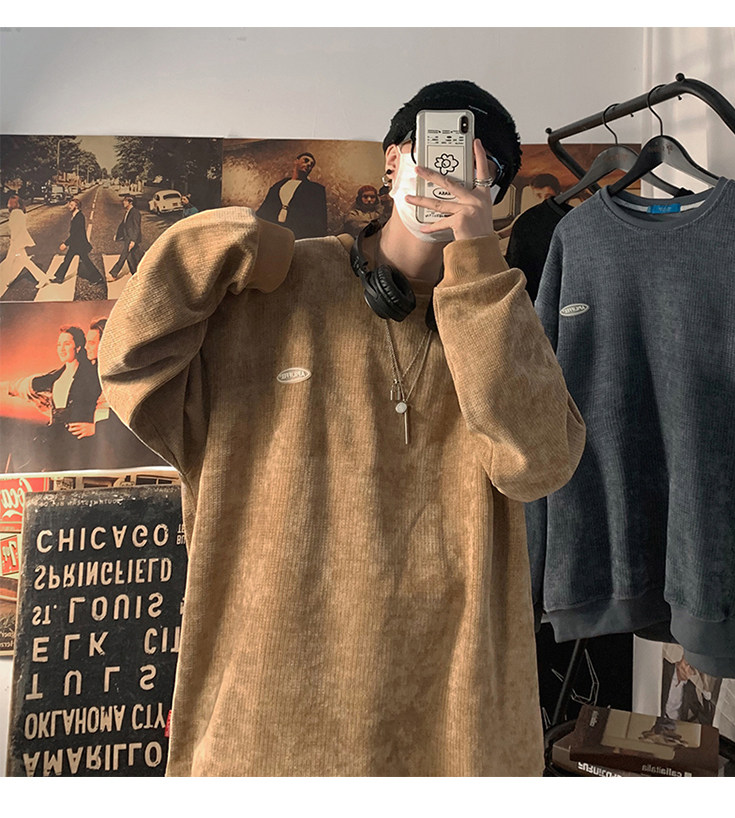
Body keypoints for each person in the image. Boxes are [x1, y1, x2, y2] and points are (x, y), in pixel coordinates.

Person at [99, 80, 585, 777]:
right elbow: (130, 366)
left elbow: (538, 463)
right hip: (266, 724)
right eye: (434, 150)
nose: (450, 174)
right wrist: (232, 241)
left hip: (452, 727)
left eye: (480, 168)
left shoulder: (501, 315)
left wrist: (477, 257)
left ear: (494, 193)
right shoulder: (276, 285)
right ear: (392, 160)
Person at [9, 324, 101, 471]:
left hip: (78, 445)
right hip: (54, 442)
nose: (61, 349)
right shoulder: (55, 376)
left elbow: (102, 406)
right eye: (59, 345)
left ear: (78, 347)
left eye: (67, 344)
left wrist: (97, 427)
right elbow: (29, 386)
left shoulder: (92, 375)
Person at [256, 151, 327, 238]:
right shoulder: (277, 186)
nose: (309, 164)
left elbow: (320, 221)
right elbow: (264, 210)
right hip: (272, 233)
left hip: (296, 235)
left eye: (311, 164)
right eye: (306, 160)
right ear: (296, 161)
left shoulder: (315, 190)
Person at [0, 195, 54, 295]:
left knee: (19, 261)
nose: (7, 204)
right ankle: (9, 279)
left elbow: (16, 229)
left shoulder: (15, 213)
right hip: (18, 241)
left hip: (16, 242)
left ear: (13, 204)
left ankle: (42, 278)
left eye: (9, 203)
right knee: (14, 261)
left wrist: (13, 241)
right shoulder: (20, 212)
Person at [49, 198, 104, 285]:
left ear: (77, 206)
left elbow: (75, 233)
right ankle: (59, 277)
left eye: (71, 205)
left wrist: (65, 243)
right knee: (67, 260)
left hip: (79, 244)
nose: (69, 206)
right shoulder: (75, 215)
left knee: (86, 261)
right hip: (75, 244)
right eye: (69, 205)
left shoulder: (79, 217)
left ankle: (97, 278)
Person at [108, 194, 143, 281]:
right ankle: (137, 273)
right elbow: (123, 225)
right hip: (128, 237)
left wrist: (133, 241)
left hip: (131, 238)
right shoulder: (128, 212)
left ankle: (113, 274)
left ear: (130, 202)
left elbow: (136, 227)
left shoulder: (135, 213)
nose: (123, 202)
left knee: (123, 256)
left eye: (125, 201)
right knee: (134, 256)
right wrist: (118, 235)